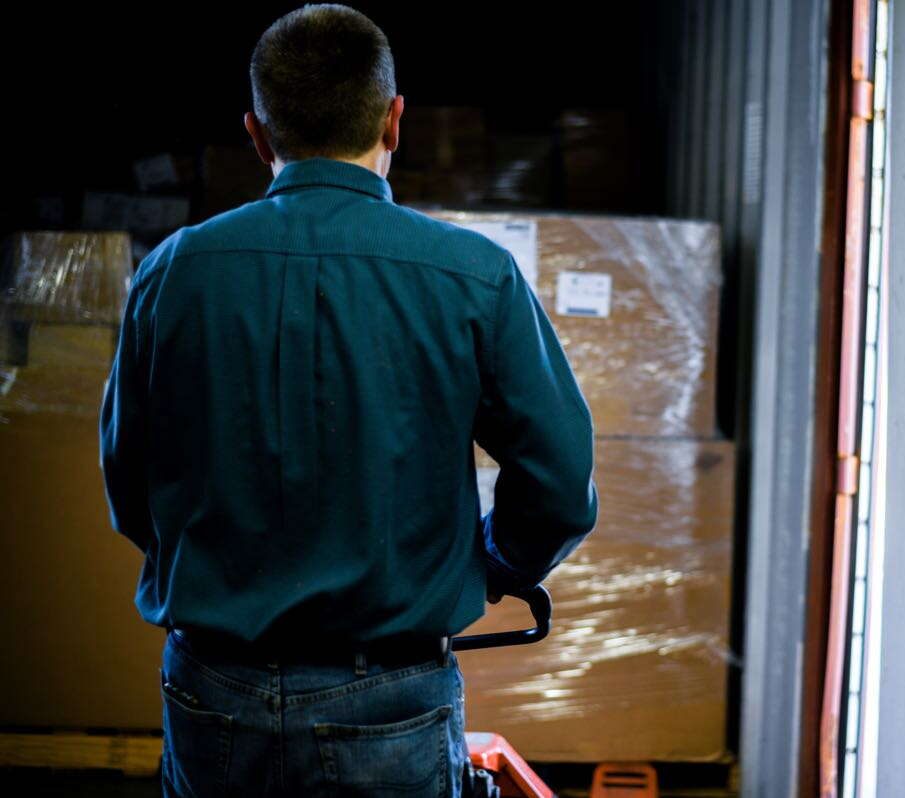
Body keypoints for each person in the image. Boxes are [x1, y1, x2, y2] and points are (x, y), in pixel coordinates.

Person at [99, 5, 597, 796]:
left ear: (258, 136)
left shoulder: (172, 273)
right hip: (392, 698)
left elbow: (129, 485)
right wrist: (495, 560)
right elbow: (562, 485)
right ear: (395, 121)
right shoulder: (475, 276)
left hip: (212, 690)